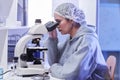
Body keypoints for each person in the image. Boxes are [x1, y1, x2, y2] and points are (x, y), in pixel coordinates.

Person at [46, 3, 110, 80]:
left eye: (58, 21)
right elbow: (54, 61)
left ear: (71, 20)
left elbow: (71, 75)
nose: (56, 26)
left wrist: (52, 68)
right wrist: (52, 39)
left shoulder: (87, 41)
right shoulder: (71, 39)